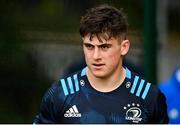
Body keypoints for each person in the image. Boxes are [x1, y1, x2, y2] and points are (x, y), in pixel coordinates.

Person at [33, 4, 169, 124]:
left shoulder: (148, 96)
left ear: (124, 47)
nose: (96, 56)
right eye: (89, 46)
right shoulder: (60, 94)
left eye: (104, 47)